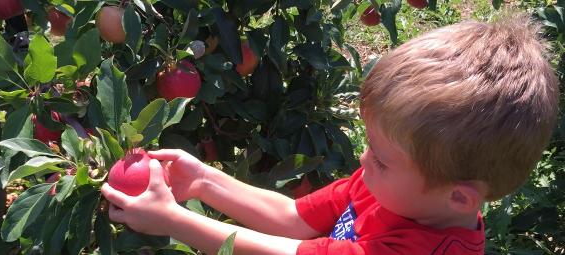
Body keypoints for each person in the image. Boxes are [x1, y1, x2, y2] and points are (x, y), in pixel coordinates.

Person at [100, 14, 559, 255]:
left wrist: (174, 221)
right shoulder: (396, 188)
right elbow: (295, 221)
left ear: (459, 198)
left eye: (380, 158)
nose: (363, 160)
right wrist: (203, 181)